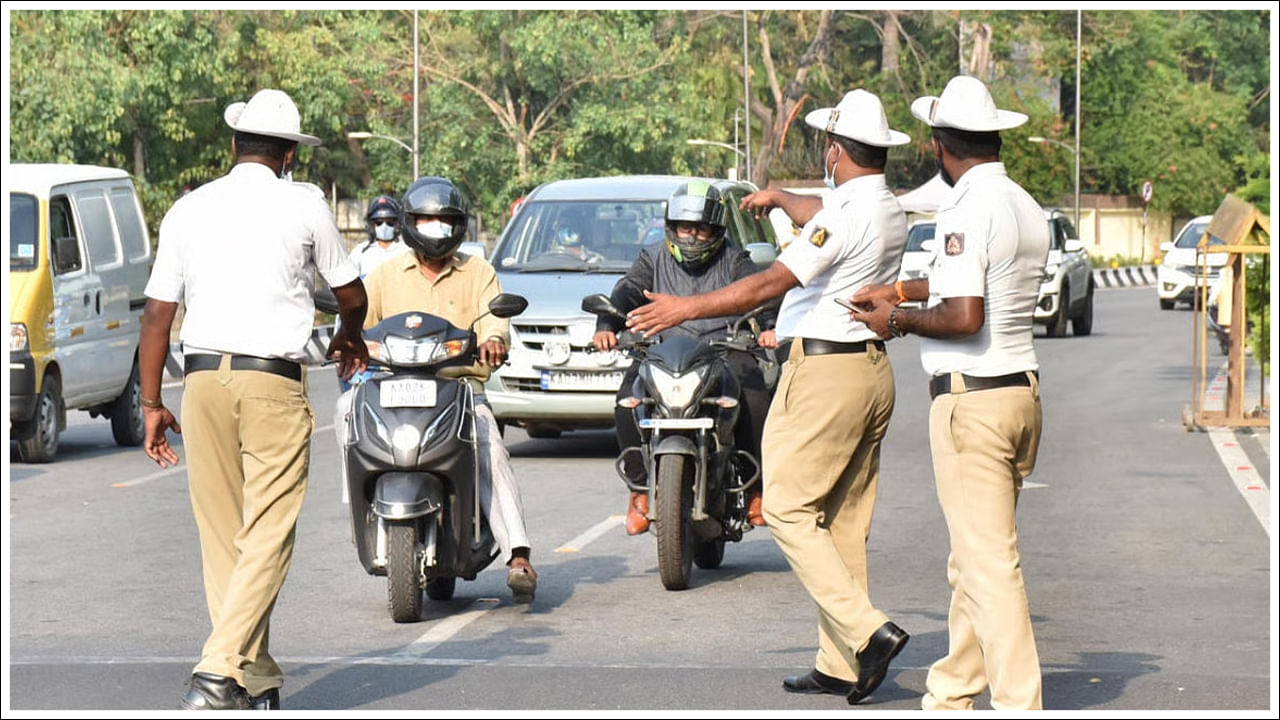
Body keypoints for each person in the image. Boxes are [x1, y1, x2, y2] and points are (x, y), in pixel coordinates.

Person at [626, 89, 911, 704]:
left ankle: (867, 633)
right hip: (871, 372)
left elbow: (771, 282)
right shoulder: (884, 205)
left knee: (784, 509)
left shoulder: (843, 213)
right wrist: (783, 198)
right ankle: (839, 662)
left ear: (834, 150)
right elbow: (824, 214)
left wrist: (685, 306)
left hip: (827, 375)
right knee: (840, 522)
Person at [138, 88, 370, 711]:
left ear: (234, 144)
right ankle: (218, 672)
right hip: (272, 385)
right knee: (268, 534)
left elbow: (158, 316)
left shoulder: (189, 209)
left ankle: (252, 679)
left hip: (203, 382)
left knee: (225, 541)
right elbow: (351, 296)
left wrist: (152, 403)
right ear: (290, 155)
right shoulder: (305, 204)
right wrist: (349, 339)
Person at [850, 75, 1051, 710]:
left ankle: (1019, 702)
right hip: (1021, 394)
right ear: (995, 138)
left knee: (989, 566)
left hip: (974, 404)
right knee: (972, 559)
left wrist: (896, 321)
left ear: (939, 146)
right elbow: (973, 280)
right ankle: (953, 688)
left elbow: (965, 315)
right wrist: (904, 291)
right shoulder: (1023, 203)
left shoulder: (966, 209)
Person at [342, 175, 539, 603]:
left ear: (459, 225)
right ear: (410, 223)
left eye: (444, 220)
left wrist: (493, 342)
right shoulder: (384, 274)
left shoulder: (478, 272)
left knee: (489, 448)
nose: (436, 228)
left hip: (460, 389)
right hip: (394, 387)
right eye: (427, 219)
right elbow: (360, 322)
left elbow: (494, 322)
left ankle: (517, 553)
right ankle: (360, 513)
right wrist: (348, 343)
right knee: (348, 416)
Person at [591, 180, 775, 534]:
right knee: (627, 401)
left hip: (723, 350)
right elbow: (627, 291)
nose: (692, 237)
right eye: (685, 228)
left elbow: (759, 293)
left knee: (754, 396)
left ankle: (756, 489)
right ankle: (639, 491)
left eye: (702, 229)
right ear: (671, 228)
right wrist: (607, 324)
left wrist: (767, 325)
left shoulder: (735, 259)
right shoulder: (651, 258)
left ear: (717, 230)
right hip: (661, 354)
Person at [349, 194, 410, 277]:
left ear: (397, 224)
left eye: (389, 223)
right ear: (371, 225)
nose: (384, 226)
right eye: (379, 222)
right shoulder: (360, 252)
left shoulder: (407, 251)